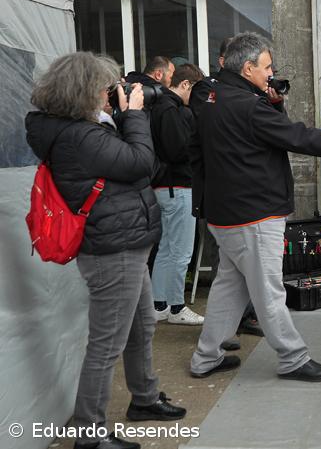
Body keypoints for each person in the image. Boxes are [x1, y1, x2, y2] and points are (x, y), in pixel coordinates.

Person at [189, 32, 321, 381]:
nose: (271, 73)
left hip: (224, 214)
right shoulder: (248, 106)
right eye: (267, 67)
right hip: (254, 215)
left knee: (229, 287)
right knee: (269, 291)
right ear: (247, 68)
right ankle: (293, 358)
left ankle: (205, 357)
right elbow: (297, 136)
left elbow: (197, 150)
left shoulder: (212, 97)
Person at [25, 52, 186, 449]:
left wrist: (122, 117)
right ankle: (89, 433)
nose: (108, 92)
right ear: (83, 92)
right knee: (106, 343)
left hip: (125, 241)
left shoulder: (83, 128)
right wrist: (133, 116)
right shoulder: (80, 136)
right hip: (112, 249)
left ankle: (144, 398)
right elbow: (141, 163)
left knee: (142, 326)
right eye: (102, 86)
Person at [189, 37, 263, 351]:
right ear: (224, 62)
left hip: (237, 196)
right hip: (221, 197)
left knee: (234, 273)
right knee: (229, 269)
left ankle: (224, 334)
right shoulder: (207, 93)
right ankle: (289, 351)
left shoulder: (241, 96)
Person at [149, 63, 206, 325]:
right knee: (181, 251)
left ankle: (159, 304)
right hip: (179, 186)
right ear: (185, 85)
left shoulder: (160, 107)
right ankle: (176, 307)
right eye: (194, 92)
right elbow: (178, 151)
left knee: (167, 248)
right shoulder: (171, 109)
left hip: (166, 188)